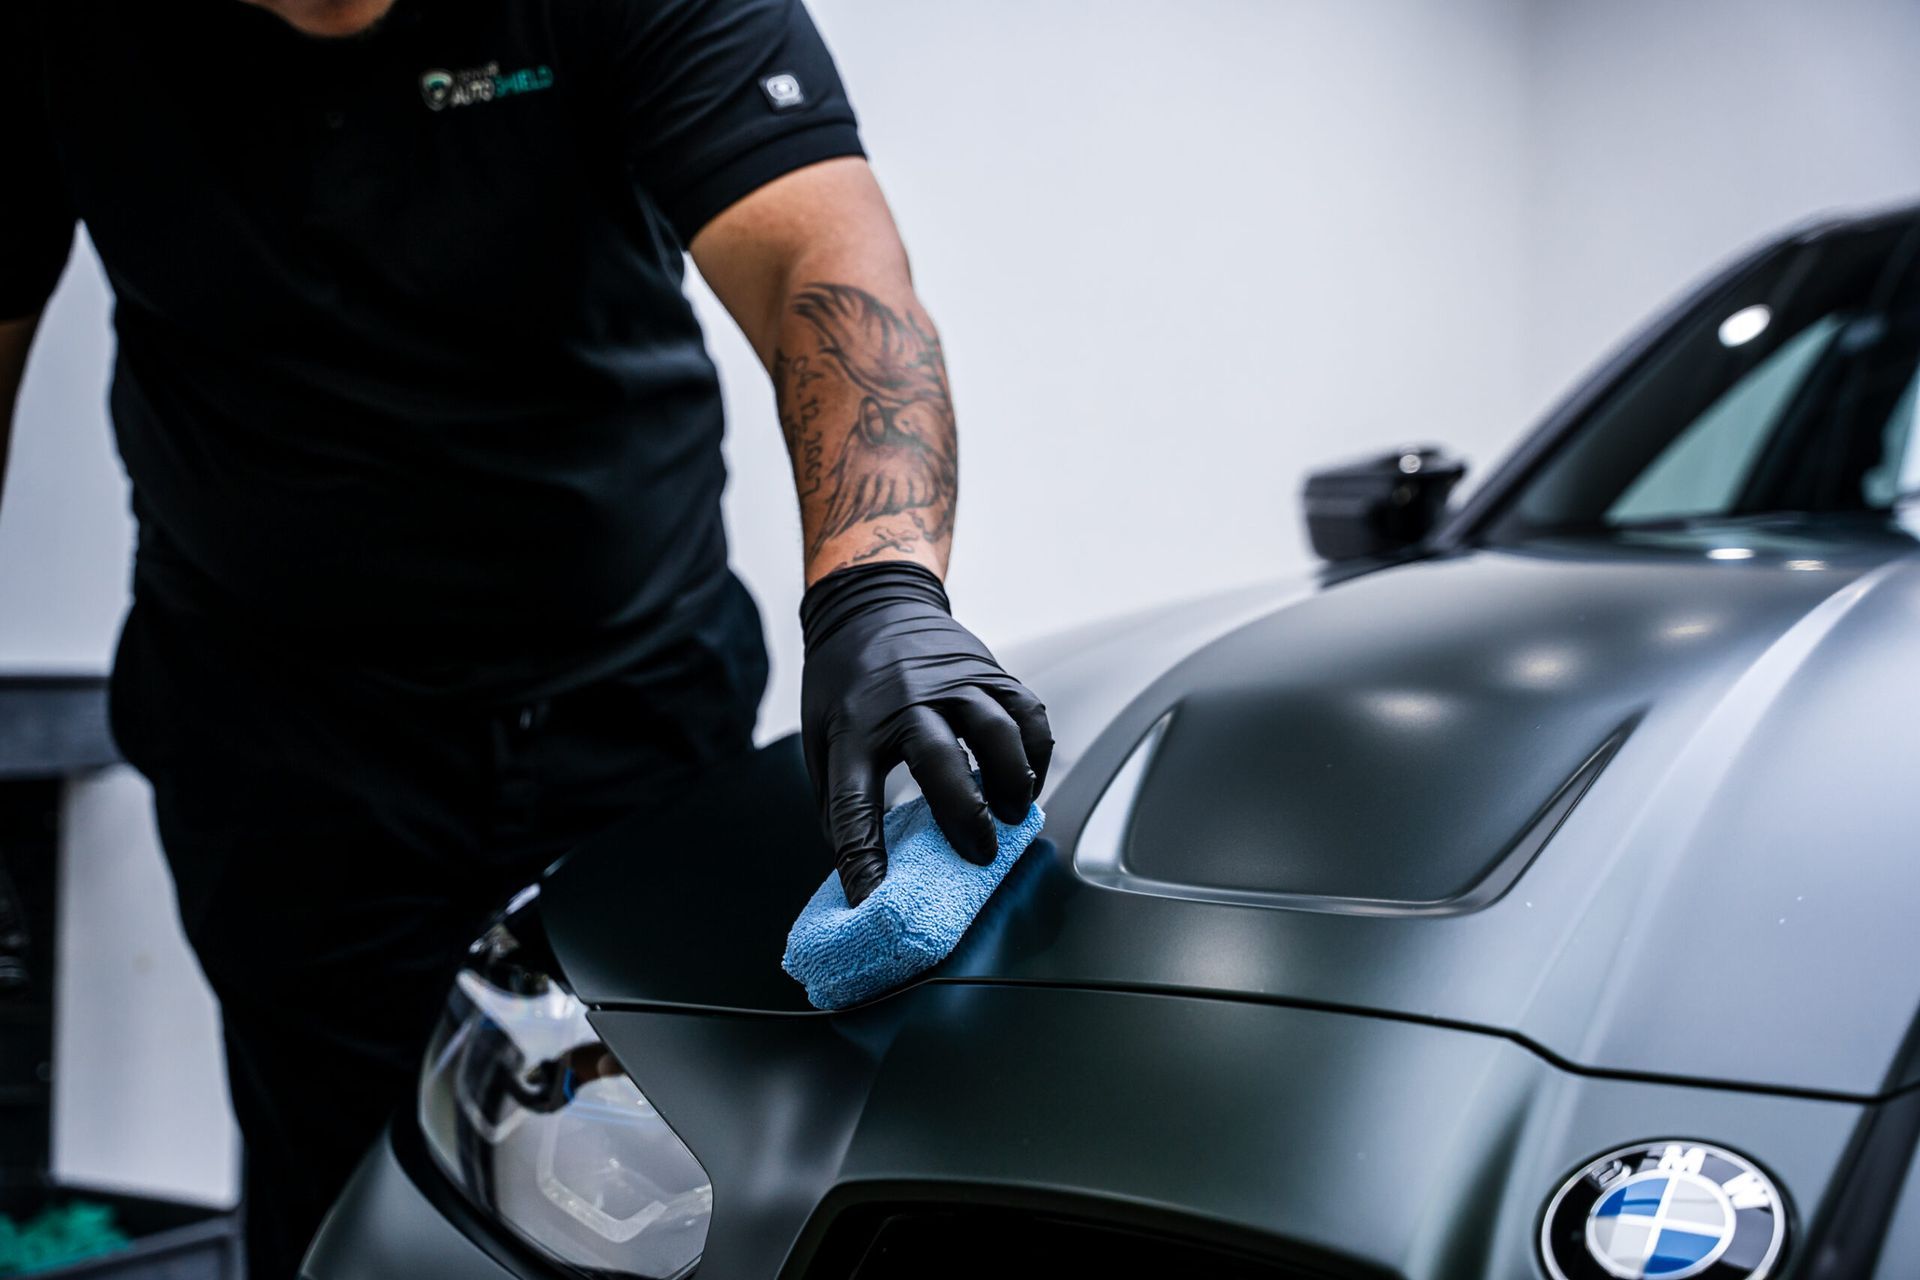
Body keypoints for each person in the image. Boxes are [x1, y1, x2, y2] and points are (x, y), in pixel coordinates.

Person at [0, 0, 1051, 1273]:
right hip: (278, 736)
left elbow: (823, 269)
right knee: (341, 1202)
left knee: (655, 1194)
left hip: (630, 707)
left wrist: (881, 589)